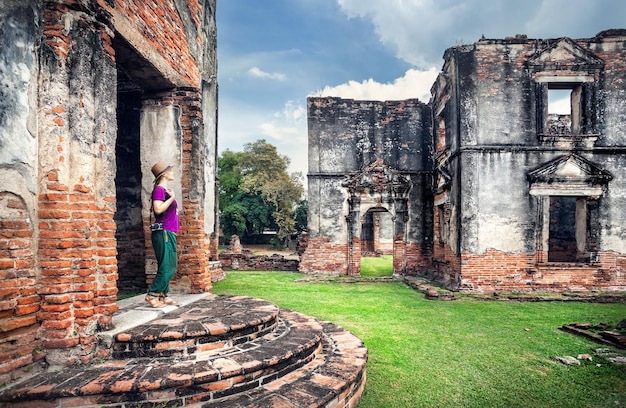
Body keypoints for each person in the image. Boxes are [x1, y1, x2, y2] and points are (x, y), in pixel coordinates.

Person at [145, 160, 181, 308]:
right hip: (163, 231)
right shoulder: (159, 190)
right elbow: (158, 209)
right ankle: (152, 295)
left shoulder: (164, 190)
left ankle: (164, 295)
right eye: (170, 171)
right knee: (169, 266)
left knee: (166, 265)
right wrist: (172, 198)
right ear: (164, 174)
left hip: (168, 231)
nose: (172, 173)